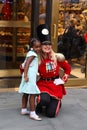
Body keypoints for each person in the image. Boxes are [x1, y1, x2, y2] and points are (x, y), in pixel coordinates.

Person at [36, 24, 71, 118]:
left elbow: (68, 69)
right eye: (44, 44)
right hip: (43, 84)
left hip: (55, 85)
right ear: (40, 46)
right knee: (43, 100)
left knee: (50, 114)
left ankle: (56, 102)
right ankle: (42, 102)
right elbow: (26, 70)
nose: (47, 46)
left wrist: (63, 79)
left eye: (49, 44)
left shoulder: (57, 57)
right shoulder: (36, 58)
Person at [19, 38, 42, 121]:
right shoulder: (33, 54)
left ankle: (24, 109)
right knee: (32, 94)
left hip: (29, 75)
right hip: (29, 76)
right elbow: (27, 65)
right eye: (37, 47)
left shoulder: (30, 52)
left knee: (26, 93)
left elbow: (30, 65)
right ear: (32, 46)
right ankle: (32, 113)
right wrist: (25, 75)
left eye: (39, 47)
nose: (38, 48)